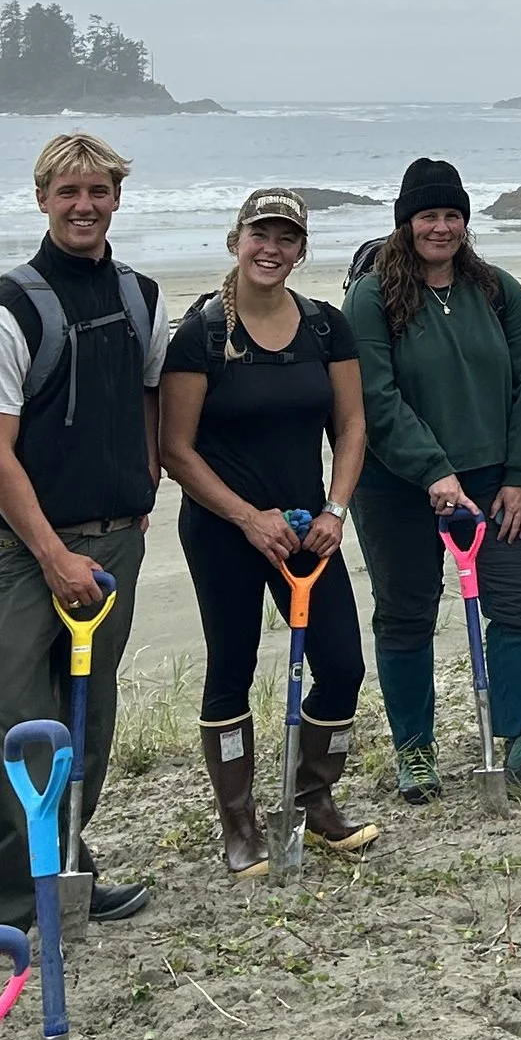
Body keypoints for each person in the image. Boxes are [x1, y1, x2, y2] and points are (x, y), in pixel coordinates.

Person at [0, 132, 167, 928]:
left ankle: (69, 869)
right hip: (27, 549)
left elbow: (150, 395)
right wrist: (51, 553)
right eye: (67, 191)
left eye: (98, 191)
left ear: (116, 198)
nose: (84, 205)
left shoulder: (143, 295)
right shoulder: (6, 310)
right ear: (42, 198)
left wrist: (143, 479)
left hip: (115, 543)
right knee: (10, 717)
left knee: (89, 716)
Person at [343, 159, 521, 800]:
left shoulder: (497, 290)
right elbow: (374, 395)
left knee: (518, 607)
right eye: (428, 215)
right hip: (396, 484)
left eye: (452, 214)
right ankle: (415, 751)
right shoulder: (372, 296)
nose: (441, 226)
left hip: (492, 482)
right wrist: (433, 471)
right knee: (405, 613)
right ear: (406, 222)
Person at [160, 188, 377, 875]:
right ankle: (240, 822)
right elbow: (176, 448)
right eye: (260, 234)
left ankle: (312, 800)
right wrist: (246, 518)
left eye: (286, 238)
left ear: (301, 249)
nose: (271, 248)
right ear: (236, 240)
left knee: (342, 664)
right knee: (232, 667)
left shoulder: (324, 327)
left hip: (307, 531)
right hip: (225, 527)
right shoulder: (200, 333)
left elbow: (351, 426)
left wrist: (336, 510)